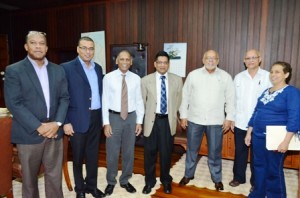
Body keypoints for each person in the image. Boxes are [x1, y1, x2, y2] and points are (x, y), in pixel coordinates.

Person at [4, 31, 69, 198]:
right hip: (29, 133)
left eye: (42, 43)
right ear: (26, 46)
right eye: (33, 43)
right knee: (30, 180)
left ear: (46, 48)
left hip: (55, 132)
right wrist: (38, 126)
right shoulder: (14, 70)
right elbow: (14, 103)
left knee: (54, 177)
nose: (38, 46)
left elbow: (64, 98)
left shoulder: (58, 70)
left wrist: (58, 123)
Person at [179, 50, 235, 191]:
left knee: (215, 152)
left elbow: (231, 99)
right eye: (208, 58)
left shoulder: (225, 77)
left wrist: (229, 118)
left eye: (213, 58)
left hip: (216, 121)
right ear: (203, 60)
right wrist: (183, 115)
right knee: (192, 150)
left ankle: (216, 178)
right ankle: (188, 174)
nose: (210, 60)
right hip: (194, 119)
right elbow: (185, 96)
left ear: (218, 60)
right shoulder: (193, 75)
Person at [245, 61, 300, 198]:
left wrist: (286, 141)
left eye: (277, 72)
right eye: (271, 71)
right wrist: (249, 132)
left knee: (273, 170)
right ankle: (258, 193)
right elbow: (256, 112)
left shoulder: (292, 92)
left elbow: (295, 118)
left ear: (286, 74)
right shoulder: (266, 91)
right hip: (258, 136)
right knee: (258, 167)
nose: (273, 74)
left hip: (276, 139)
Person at [61, 36, 105, 198]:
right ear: (78, 49)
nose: (88, 51)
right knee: (78, 157)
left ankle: (91, 187)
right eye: (84, 48)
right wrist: (65, 121)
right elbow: (61, 97)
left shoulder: (98, 68)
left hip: (95, 118)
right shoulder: (66, 68)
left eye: (91, 48)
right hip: (76, 119)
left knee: (93, 156)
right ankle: (80, 190)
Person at [102, 49, 144, 196]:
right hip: (113, 118)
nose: (125, 62)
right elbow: (105, 101)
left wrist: (139, 121)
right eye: (122, 59)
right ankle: (111, 181)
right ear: (116, 61)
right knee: (112, 152)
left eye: (127, 59)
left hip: (131, 118)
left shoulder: (136, 79)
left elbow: (139, 101)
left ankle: (125, 180)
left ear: (131, 62)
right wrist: (106, 122)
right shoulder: (108, 78)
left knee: (128, 151)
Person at [141, 51, 183, 194]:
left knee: (166, 154)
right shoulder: (146, 80)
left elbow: (179, 101)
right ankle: (149, 182)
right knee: (149, 154)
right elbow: (142, 102)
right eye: (160, 62)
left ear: (168, 64)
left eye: (165, 62)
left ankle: (166, 181)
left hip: (167, 122)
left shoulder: (177, 80)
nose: (162, 65)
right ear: (155, 64)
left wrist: (173, 114)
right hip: (151, 122)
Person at [229, 49, 272, 190]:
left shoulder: (268, 77)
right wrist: (232, 118)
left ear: (260, 59)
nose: (251, 60)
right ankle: (238, 177)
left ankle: (256, 182)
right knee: (240, 152)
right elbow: (233, 100)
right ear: (244, 60)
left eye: (254, 57)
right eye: (248, 58)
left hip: (260, 124)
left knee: (257, 155)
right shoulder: (239, 77)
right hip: (241, 122)